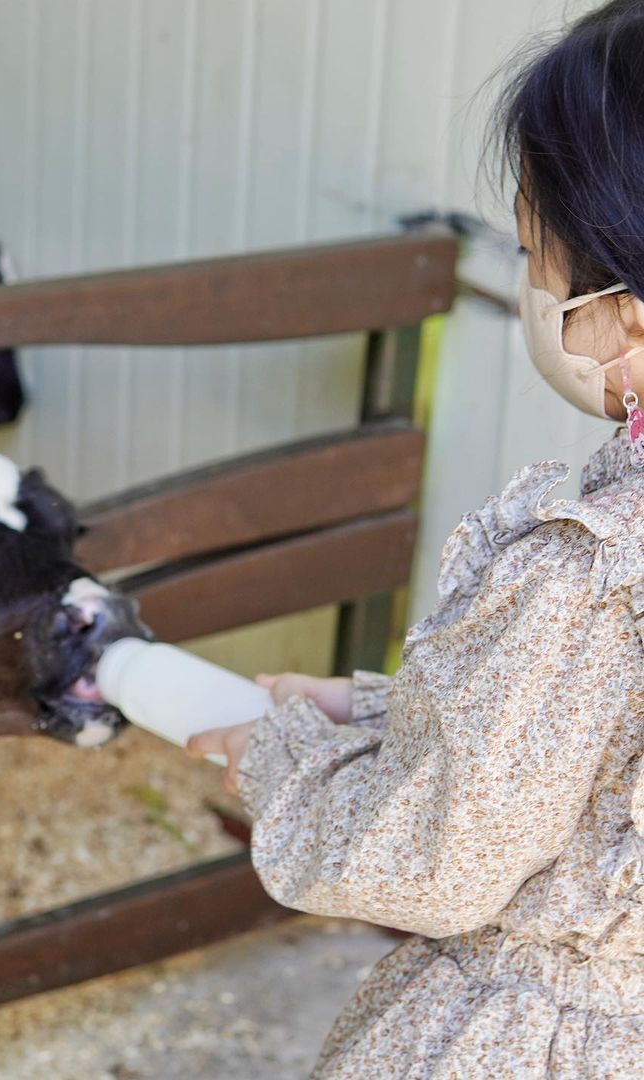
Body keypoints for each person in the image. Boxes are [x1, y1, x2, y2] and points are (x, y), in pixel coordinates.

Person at [187, 3, 644, 1075]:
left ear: (626, 306)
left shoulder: (590, 563)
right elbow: (593, 747)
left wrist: (277, 757)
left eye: (540, 255)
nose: (542, 295)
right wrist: (372, 706)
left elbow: (441, 858)